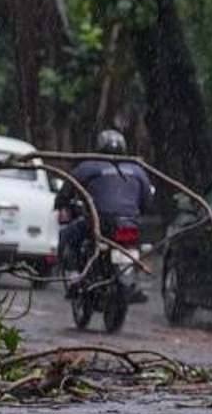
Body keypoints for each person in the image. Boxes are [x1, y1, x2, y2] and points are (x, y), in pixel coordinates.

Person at [56, 127, 154, 296]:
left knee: (67, 236)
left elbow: (67, 190)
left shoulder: (88, 166)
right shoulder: (137, 169)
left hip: (99, 221)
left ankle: (74, 278)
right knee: (140, 246)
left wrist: (61, 203)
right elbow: (147, 200)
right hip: (130, 222)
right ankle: (135, 281)